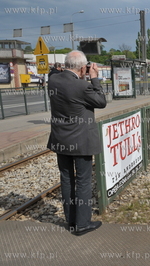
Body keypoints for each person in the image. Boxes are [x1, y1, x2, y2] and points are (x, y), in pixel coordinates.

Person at [47, 50, 107, 235]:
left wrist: (83, 74)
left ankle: (71, 221)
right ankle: (82, 224)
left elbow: (59, 74)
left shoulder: (53, 81)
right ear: (83, 68)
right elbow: (101, 101)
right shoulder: (82, 87)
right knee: (82, 181)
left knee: (66, 179)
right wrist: (94, 78)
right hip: (81, 142)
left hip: (60, 140)